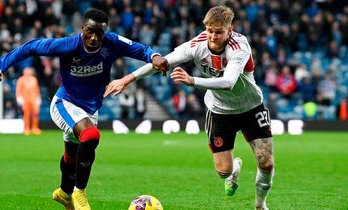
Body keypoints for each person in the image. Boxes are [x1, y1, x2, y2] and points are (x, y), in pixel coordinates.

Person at [0, 8, 169, 210]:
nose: (94, 37)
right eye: (90, 31)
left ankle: (64, 193)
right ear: (82, 28)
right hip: (65, 103)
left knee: (72, 155)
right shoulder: (68, 45)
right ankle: (80, 192)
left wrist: (154, 56)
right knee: (90, 135)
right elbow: (31, 47)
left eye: (99, 33)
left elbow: (140, 49)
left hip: (90, 108)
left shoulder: (111, 42)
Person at [105, 6, 274, 210]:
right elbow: (162, 62)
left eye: (219, 32)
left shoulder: (240, 46)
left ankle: (260, 205)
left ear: (230, 30)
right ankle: (234, 168)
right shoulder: (196, 45)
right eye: (210, 30)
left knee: (266, 162)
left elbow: (228, 82)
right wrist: (128, 78)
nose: (213, 36)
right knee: (224, 171)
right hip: (220, 110)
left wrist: (192, 80)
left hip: (251, 106)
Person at [16, 67, 42, 135]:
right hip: (25, 100)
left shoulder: (34, 79)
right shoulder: (21, 79)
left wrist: (38, 98)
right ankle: (26, 128)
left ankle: (35, 128)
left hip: (34, 99)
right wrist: (19, 98)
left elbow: (37, 89)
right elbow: (18, 90)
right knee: (26, 114)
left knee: (35, 114)